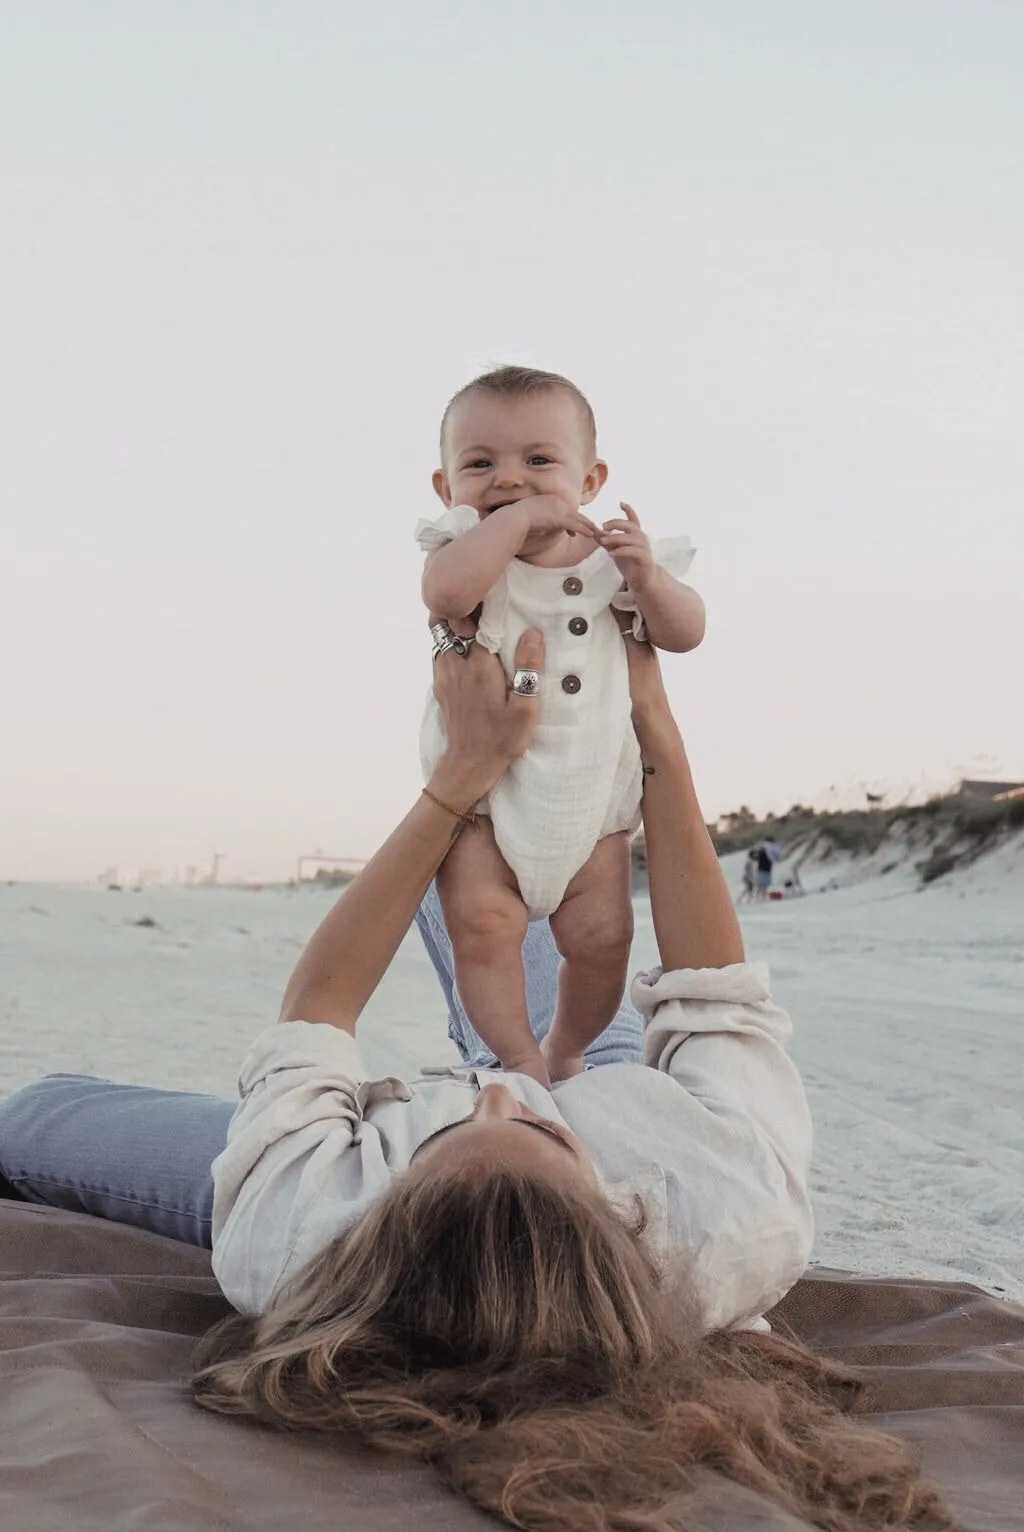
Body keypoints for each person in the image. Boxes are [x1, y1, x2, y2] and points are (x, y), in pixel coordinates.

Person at [0, 629, 952, 1532]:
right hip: (606, 1083)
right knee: (525, 884)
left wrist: (457, 776)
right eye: (539, 1129)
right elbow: (712, 992)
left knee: (34, 1115)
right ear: (620, 1212)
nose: (502, 1086)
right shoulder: (729, 1213)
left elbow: (321, 1003)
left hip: (386, 1156)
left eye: (458, 1125)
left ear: (384, 1207)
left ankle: (487, 782)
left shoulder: (297, 1233)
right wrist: (651, 722)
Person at [417, 365, 704, 1086]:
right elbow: (444, 591)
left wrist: (652, 582)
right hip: (486, 806)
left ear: (591, 478)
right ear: (446, 489)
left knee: (604, 938)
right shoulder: (470, 558)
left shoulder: (615, 560)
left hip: (591, 809)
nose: (509, 481)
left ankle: (568, 1047)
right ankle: (517, 1058)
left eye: (539, 462)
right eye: (480, 465)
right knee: (481, 928)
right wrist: (512, 524)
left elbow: (686, 633)